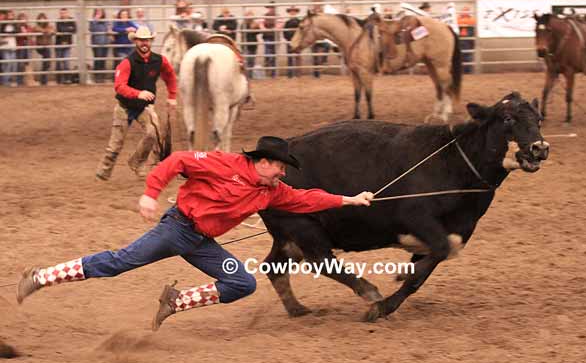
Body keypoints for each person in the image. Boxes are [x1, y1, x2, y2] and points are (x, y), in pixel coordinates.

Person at [17, 135, 374, 331]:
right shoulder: (224, 163)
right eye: (280, 167)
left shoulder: (271, 191)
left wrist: (350, 200)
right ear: (263, 161)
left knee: (242, 284)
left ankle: (175, 301)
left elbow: (306, 199)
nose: (282, 174)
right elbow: (177, 161)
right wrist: (150, 192)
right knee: (119, 262)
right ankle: (42, 276)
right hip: (176, 229)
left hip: (202, 242)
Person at [95, 26, 177, 181]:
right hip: (124, 107)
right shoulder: (127, 63)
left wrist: (172, 96)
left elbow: (170, 76)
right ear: (136, 42)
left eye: (147, 40)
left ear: (151, 41)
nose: (144, 43)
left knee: (153, 133)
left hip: (144, 107)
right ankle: (103, 173)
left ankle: (137, 162)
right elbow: (119, 86)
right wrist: (139, 93)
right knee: (115, 144)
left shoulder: (159, 61)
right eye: (141, 40)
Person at [55, 8, 77, 84]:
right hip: (59, 44)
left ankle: (67, 79)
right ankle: (59, 80)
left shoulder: (72, 20)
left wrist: (65, 29)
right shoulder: (58, 21)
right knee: (58, 62)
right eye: (61, 13)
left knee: (66, 61)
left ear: (67, 13)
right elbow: (60, 29)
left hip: (67, 44)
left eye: (64, 13)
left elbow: (74, 30)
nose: (63, 14)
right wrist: (68, 29)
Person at [89, 8, 111, 83]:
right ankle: (97, 76)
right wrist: (95, 20)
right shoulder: (92, 21)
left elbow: (108, 29)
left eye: (100, 11)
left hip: (105, 43)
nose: (99, 13)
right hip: (96, 43)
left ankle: (102, 76)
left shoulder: (106, 21)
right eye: (97, 11)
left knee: (103, 60)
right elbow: (92, 29)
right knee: (97, 60)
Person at [32, 13, 55, 86]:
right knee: (47, 61)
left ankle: (43, 80)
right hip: (40, 46)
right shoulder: (37, 26)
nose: (42, 20)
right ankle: (43, 80)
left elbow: (53, 31)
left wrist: (47, 31)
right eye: (40, 18)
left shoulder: (49, 25)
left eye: (43, 18)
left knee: (46, 63)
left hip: (47, 46)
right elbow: (35, 29)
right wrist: (45, 31)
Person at [0, 10, 18, 86]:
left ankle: (7, 80)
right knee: (6, 64)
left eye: (12, 15)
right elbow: (2, 33)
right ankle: (5, 81)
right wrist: (9, 34)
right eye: (9, 15)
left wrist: (9, 34)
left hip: (12, 45)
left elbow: (16, 32)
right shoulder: (3, 24)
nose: (11, 16)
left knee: (12, 64)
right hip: (5, 46)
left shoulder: (15, 24)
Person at [283, 6, 301, 78]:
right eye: (291, 11)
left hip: (297, 41)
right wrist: (288, 39)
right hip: (289, 41)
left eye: (294, 11)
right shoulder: (287, 22)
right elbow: (285, 32)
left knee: (297, 57)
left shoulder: (299, 21)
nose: (292, 12)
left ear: (296, 12)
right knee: (290, 58)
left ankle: (298, 74)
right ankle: (290, 74)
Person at [241, 10, 260, 78]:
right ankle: (246, 75)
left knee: (252, 61)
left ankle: (250, 75)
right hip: (246, 44)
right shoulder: (243, 24)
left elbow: (259, 32)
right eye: (249, 15)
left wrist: (256, 27)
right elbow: (244, 33)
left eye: (251, 15)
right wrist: (252, 28)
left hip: (253, 44)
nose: (250, 17)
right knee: (246, 60)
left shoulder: (254, 23)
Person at [15, 12, 32, 86]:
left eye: (24, 18)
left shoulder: (28, 27)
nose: (23, 20)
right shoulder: (17, 27)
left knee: (27, 64)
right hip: (21, 46)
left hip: (27, 45)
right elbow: (17, 37)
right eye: (21, 18)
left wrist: (25, 32)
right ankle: (19, 81)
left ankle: (28, 81)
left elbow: (29, 35)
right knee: (20, 64)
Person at [262, 2, 278, 78]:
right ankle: (267, 70)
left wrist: (274, 29)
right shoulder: (265, 16)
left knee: (273, 55)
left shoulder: (277, 16)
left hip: (275, 37)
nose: (271, 9)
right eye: (270, 7)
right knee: (267, 53)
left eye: (272, 7)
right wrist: (265, 29)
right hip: (267, 36)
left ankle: (273, 73)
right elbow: (261, 24)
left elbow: (279, 25)